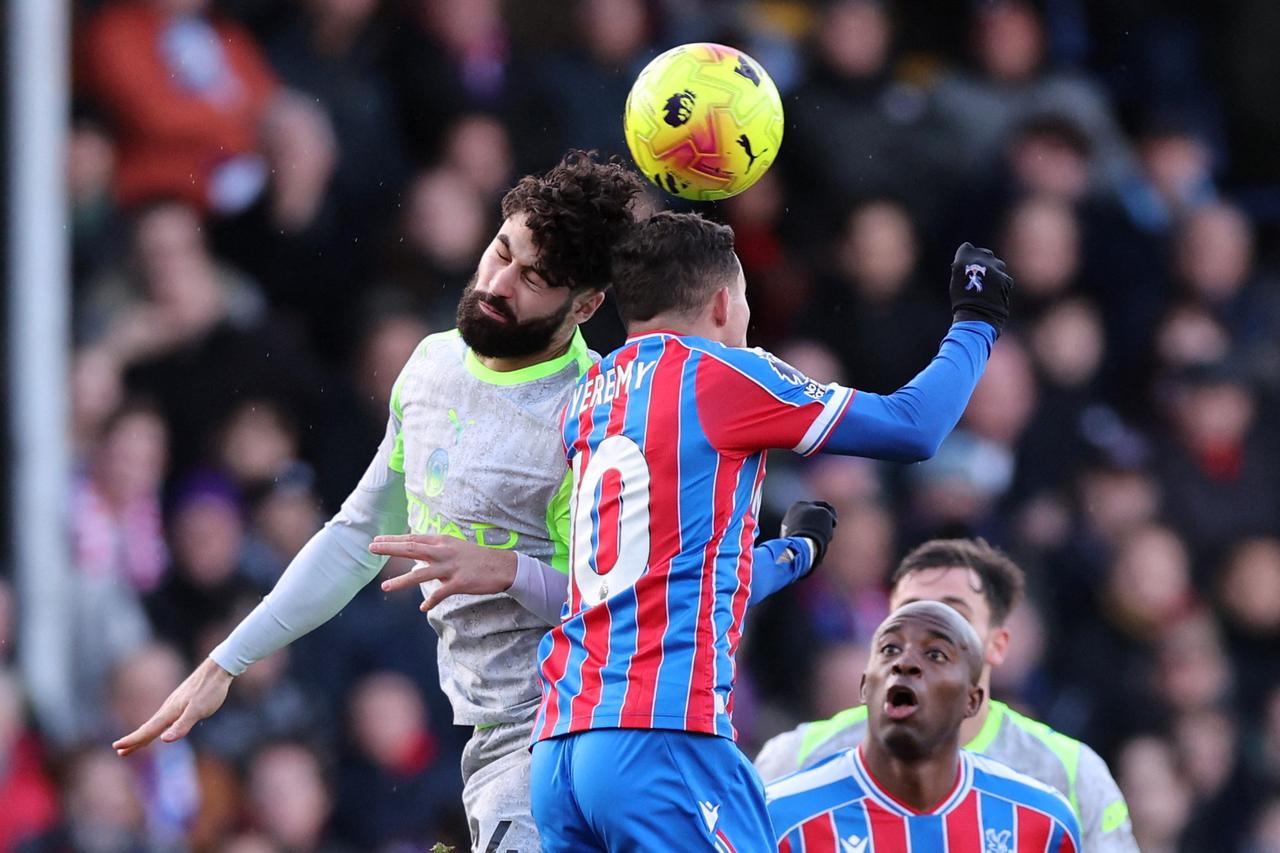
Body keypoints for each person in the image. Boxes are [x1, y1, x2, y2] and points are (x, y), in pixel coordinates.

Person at [113, 153, 834, 853]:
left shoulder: (598, 410)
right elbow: (361, 532)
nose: (498, 282)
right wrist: (226, 661)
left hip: (576, 732)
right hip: (492, 740)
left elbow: (627, 604)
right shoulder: (430, 363)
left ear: (584, 304)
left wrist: (506, 567)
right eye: (501, 252)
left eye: (534, 278)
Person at [528, 211, 1014, 851]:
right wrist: (976, 324)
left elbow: (666, 579)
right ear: (725, 302)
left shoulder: (591, 397)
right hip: (662, 736)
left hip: (562, 749)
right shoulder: (720, 374)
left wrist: (793, 554)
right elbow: (912, 428)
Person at [756, 538, 1138, 852]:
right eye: (908, 615)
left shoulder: (1069, 774)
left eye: (953, 618)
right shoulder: (795, 760)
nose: (919, 642)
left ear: (997, 644)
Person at [765, 601, 1082, 852]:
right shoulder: (781, 818)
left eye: (935, 654)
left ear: (971, 701)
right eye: (890, 649)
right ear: (865, 687)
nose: (905, 662)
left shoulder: (1041, 822)